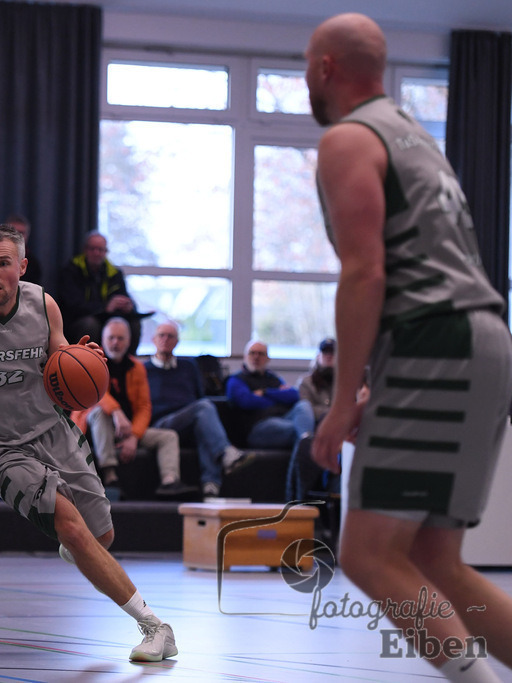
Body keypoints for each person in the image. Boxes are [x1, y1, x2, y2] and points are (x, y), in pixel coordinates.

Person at [307, 13, 512, 681]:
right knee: (432, 554)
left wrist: (341, 403)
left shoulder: (348, 138)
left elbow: (366, 271)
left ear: (325, 69)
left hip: (437, 339)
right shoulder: (414, 135)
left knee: (366, 552)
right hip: (477, 336)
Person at [0, 224, 178, 663]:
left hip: (52, 429)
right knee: (74, 529)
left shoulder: (44, 304)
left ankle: (77, 542)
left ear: (21, 266)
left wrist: (84, 360)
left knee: (102, 535)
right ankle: (156, 627)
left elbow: (61, 358)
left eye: (3, 263)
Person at [71, 317, 190, 499]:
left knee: (168, 436)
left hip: (126, 429)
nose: (115, 343)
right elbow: (97, 394)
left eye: (120, 338)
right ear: (103, 340)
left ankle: (170, 482)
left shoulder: (137, 367)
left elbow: (144, 406)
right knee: (101, 413)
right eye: (111, 338)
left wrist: (134, 436)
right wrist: (117, 412)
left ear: (128, 342)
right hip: (93, 429)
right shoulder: (92, 362)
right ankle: (110, 475)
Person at [145, 321, 249, 499]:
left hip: (189, 419)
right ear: (153, 339)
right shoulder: (144, 369)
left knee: (203, 424)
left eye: (171, 336)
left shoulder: (189, 367)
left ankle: (210, 486)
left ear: (177, 341)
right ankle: (226, 453)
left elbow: (199, 395)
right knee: (204, 407)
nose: (165, 339)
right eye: (162, 335)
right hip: (162, 423)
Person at [225, 340, 315, 484]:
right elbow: (246, 401)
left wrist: (265, 392)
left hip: (283, 420)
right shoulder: (236, 380)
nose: (256, 357)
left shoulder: (272, 379)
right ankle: (307, 443)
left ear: (267, 359)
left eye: (260, 354)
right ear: (245, 356)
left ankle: (306, 439)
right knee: (297, 430)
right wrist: (278, 397)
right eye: (252, 353)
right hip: (258, 429)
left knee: (304, 405)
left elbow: (294, 395)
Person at [57, 231, 148, 353]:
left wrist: (129, 307)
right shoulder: (71, 270)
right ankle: (86, 364)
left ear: (106, 252)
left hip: (108, 319)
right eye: (92, 249)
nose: (96, 253)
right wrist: (105, 308)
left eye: (101, 249)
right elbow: (72, 306)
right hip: (78, 321)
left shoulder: (115, 273)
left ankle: (129, 365)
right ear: (85, 250)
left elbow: (124, 296)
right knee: (90, 324)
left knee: (134, 324)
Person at [288, 337, 337, 501]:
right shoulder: (306, 382)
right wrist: (334, 414)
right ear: (318, 355)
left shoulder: (345, 383)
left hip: (338, 432)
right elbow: (306, 410)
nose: (329, 356)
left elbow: (352, 407)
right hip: (312, 427)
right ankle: (299, 498)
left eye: (333, 352)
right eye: (325, 352)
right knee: (304, 416)